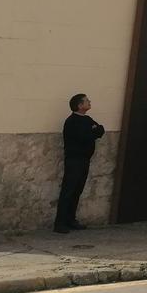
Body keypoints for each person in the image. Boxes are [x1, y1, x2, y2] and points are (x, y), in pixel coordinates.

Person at [54, 93, 105, 233]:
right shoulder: (72, 121)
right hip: (74, 160)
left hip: (84, 160)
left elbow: (100, 130)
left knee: (77, 190)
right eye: (86, 101)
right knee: (68, 190)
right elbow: (84, 137)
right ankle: (60, 223)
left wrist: (94, 131)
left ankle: (71, 219)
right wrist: (92, 132)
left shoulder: (87, 119)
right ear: (79, 105)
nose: (89, 102)